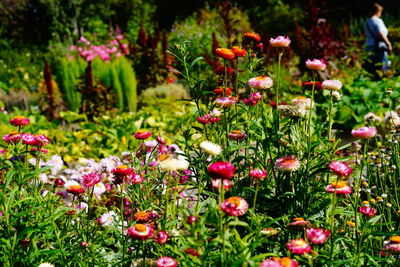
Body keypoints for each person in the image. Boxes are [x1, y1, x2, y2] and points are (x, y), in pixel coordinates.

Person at [364, 3, 392, 80]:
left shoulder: (367, 21)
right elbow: (380, 33)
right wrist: (388, 44)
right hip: (379, 47)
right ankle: (384, 81)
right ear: (378, 11)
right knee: (382, 65)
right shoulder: (377, 21)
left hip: (369, 45)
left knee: (372, 66)